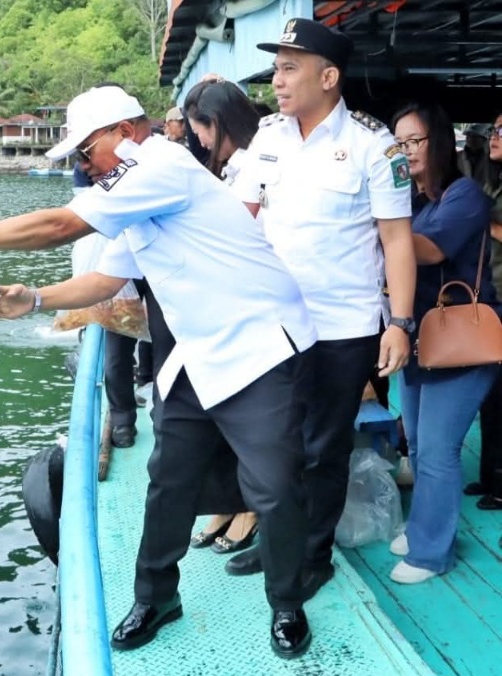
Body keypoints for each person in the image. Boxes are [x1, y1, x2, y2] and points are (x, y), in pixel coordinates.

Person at [0, 84, 333, 659]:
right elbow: (105, 280)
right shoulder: (134, 192)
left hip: (259, 344)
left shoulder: (160, 164)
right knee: (168, 480)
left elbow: (61, 225)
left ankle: (287, 604)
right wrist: (36, 298)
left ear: (125, 132)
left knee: (275, 484)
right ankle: (157, 597)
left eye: (87, 152)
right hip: (198, 350)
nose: (85, 168)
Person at [224, 18, 417, 595]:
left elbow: (396, 239)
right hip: (272, 322)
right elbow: (241, 222)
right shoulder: (266, 138)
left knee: (323, 448)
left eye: (289, 68)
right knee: (271, 444)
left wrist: (401, 323)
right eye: (277, 68)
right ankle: (278, 539)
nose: (277, 81)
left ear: (328, 76)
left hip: (343, 327)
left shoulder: (372, 144)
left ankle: (312, 556)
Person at [387, 102, 500, 583]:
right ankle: (422, 530)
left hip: (462, 339)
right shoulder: (412, 200)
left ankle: (431, 553)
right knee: (416, 440)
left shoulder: (464, 195)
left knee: (437, 448)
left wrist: (379, 225)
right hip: (420, 338)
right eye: (398, 143)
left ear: (440, 142)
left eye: (414, 141)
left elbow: (428, 250)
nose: (405, 151)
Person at [181, 78, 264, 555]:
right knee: (224, 419)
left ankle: (251, 507)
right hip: (229, 308)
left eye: (203, 131)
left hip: (255, 310)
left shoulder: (256, 165)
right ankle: (233, 499)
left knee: (250, 422)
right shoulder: (230, 168)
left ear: (221, 123)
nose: (202, 142)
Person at [73, 164, 151, 447]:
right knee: (120, 349)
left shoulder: (145, 169)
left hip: (147, 268)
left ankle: (125, 421)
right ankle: (123, 423)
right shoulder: (104, 187)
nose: (87, 166)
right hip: (126, 269)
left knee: (125, 349)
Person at [470, 113, 502, 510]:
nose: (493, 137)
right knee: (490, 397)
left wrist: (479, 223)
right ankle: (489, 474)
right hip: (492, 300)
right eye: (493, 130)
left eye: (500, 132)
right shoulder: (490, 179)